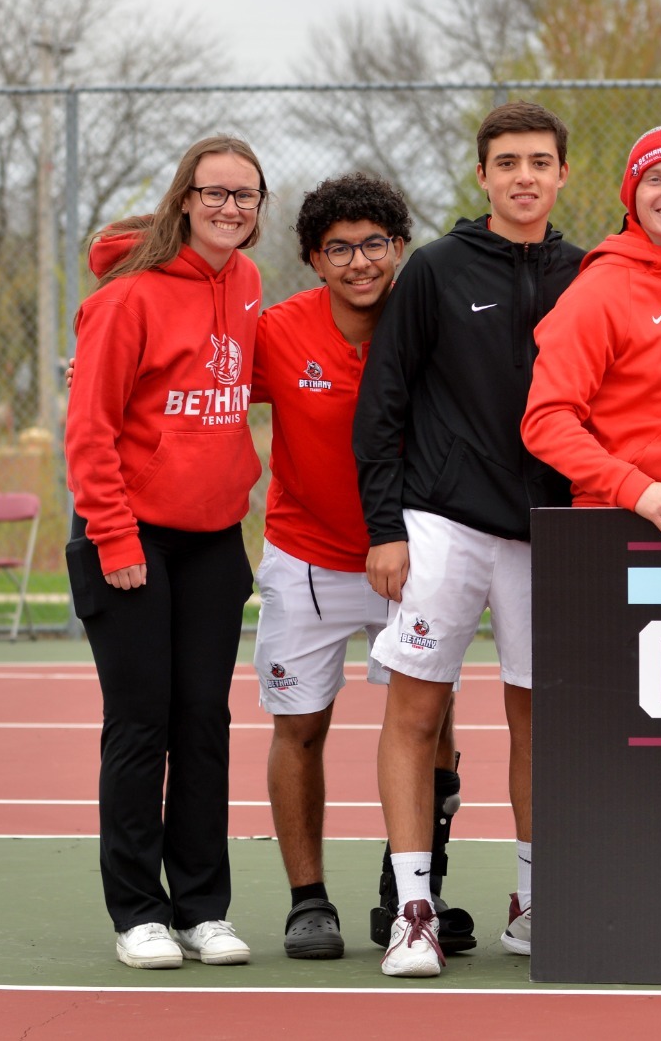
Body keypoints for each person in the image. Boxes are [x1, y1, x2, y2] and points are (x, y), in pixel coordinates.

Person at [353, 101, 585, 977]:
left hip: (551, 533)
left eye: (540, 161)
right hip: (443, 525)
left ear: (564, 173)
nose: (524, 175)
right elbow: (383, 408)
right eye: (507, 162)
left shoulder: (590, 270)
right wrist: (386, 528)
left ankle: (534, 900)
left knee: (541, 724)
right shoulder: (436, 270)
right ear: (481, 175)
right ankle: (414, 906)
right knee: (415, 713)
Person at [247, 173, 473, 961]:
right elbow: (194, 372)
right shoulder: (277, 331)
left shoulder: (434, 322)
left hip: (410, 554)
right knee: (301, 726)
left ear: (399, 249)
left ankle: (409, 888)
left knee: (429, 722)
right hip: (306, 554)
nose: (359, 262)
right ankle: (309, 899)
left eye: (374, 243)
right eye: (338, 248)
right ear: (313, 258)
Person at [66, 135, 266, 970]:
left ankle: (202, 908)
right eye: (216, 193)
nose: (231, 208)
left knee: (204, 723)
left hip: (214, 538)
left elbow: (234, 387)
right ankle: (138, 911)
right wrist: (115, 536)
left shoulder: (248, 284)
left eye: (247, 196)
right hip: (131, 538)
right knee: (141, 726)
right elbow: (90, 432)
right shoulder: (126, 297)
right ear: (184, 197)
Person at [523, 124, 661, 536]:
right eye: (655, 179)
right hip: (620, 518)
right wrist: (634, 488)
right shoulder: (599, 290)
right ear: (632, 195)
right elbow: (546, 420)